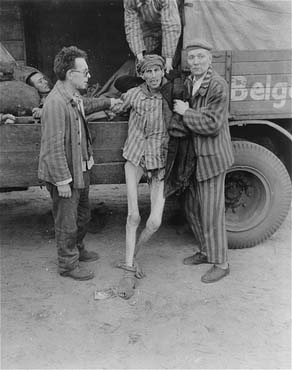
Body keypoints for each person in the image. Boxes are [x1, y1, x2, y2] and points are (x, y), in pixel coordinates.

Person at [38, 46, 121, 280]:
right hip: (65, 175)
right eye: (84, 72)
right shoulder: (55, 104)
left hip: (80, 169)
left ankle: (78, 248)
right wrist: (62, 182)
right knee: (67, 222)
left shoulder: (72, 97)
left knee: (83, 216)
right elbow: (52, 147)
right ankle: (67, 265)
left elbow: (87, 105)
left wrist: (109, 102)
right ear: (69, 74)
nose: (89, 76)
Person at [169, 39, 234, 283]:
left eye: (200, 57)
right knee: (192, 207)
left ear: (210, 59)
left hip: (212, 158)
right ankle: (207, 251)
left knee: (211, 212)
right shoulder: (190, 81)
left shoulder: (217, 85)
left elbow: (212, 124)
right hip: (195, 157)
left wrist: (186, 112)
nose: (195, 61)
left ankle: (222, 263)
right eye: (192, 57)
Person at [114, 54, 170, 299]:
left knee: (155, 222)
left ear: (162, 71)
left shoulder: (170, 95)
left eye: (157, 70)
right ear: (143, 74)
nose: (154, 75)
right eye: (148, 72)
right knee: (133, 215)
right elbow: (113, 107)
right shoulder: (134, 94)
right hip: (135, 157)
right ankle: (127, 268)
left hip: (159, 161)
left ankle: (133, 255)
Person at [124, 0, 181, 73]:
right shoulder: (129, 1)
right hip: (148, 28)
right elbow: (132, 27)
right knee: (145, 63)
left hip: (170, 24)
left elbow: (170, 27)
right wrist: (141, 59)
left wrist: (168, 60)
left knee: (171, 64)